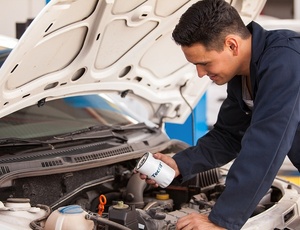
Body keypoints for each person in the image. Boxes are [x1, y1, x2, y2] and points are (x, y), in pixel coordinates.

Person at [139, 0, 300, 229]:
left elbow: (267, 143)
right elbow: (229, 135)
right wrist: (180, 165)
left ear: (232, 45)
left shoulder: (285, 61)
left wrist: (221, 221)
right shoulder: (243, 75)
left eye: (204, 63)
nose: (200, 73)